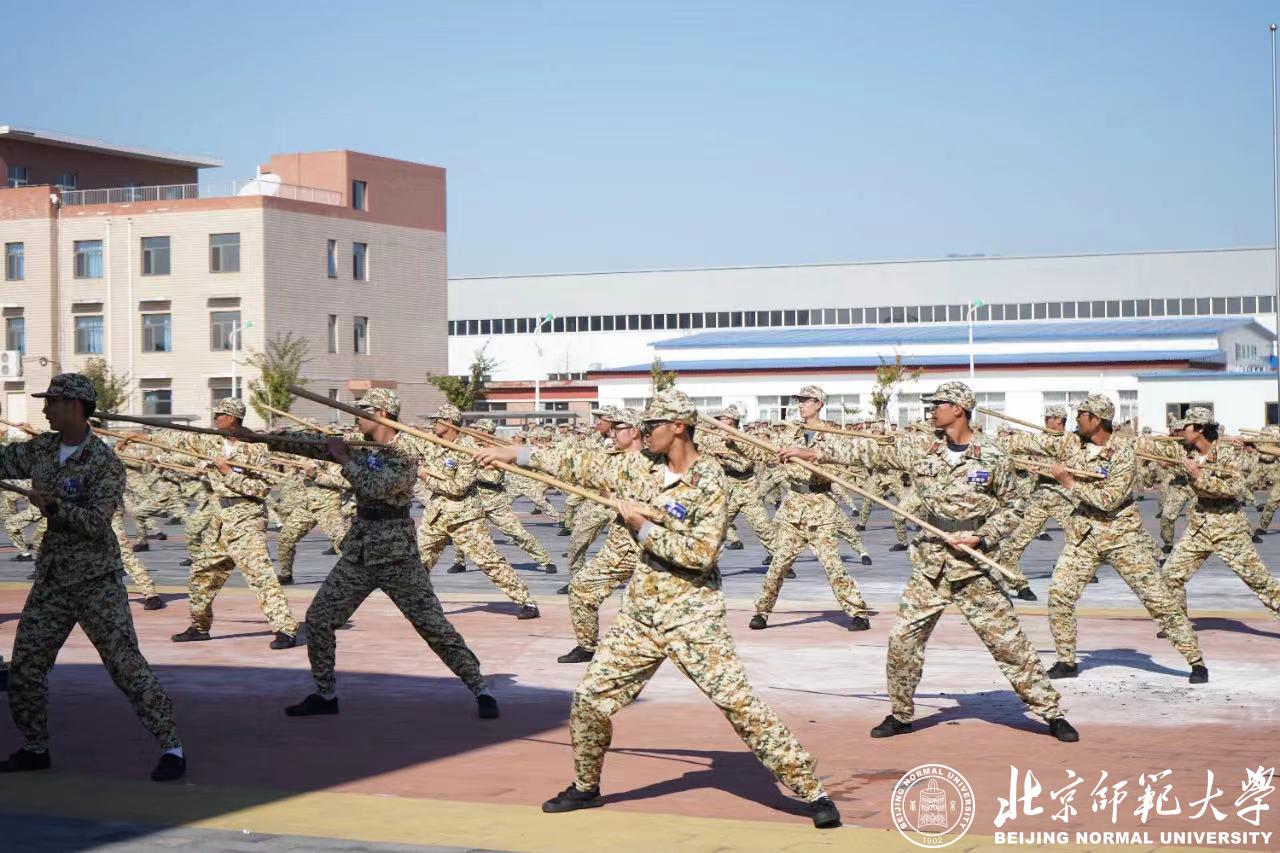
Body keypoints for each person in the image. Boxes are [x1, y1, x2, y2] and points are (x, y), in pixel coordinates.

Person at [475, 389, 841, 829]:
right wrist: (514, 453)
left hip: (693, 614)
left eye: (652, 426)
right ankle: (586, 787)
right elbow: (580, 464)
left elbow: (700, 554)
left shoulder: (710, 482)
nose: (643, 434)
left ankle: (811, 790)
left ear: (679, 427)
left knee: (739, 704)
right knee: (590, 700)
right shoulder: (639, 466)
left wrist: (641, 526)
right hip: (641, 613)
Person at [784, 381, 1079, 743]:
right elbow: (868, 453)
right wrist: (814, 454)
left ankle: (1051, 712)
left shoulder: (993, 455)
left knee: (1008, 644)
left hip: (975, 565)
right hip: (931, 563)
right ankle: (901, 713)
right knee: (903, 640)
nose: (932, 409)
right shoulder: (920, 448)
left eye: (939, 403)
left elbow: (1015, 505)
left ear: (959, 408)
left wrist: (983, 537)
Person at [236, 389, 499, 719]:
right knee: (319, 619)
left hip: (397, 556)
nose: (355, 416)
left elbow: (374, 487)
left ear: (384, 415)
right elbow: (309, 443)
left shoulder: (406, 451)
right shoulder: (356, 440)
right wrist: (258, 438)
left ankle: (480, 688)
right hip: (359, 552)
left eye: (363, 411)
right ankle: (325, 693)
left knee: (433, 626)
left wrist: (344, 460)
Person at [0, 374, 185, 781]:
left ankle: (172, 747)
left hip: (96, 581)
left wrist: (54, 508)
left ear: (75, 406)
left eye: (52, 401)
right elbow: (4, 461)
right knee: (27, 667)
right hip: (52, 578)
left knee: (125, 666)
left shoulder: (105, 464)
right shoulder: (43, 448)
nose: (45, 408)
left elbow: (96, 523)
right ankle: (35, 746)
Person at [1007, 395, 1207, 683]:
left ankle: (1195, 660)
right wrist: (974, 439)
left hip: (1121, 534)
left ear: (1096, 419)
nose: (1075, 419)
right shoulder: (1069, 442)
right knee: (1060, 595)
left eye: (1081, 414)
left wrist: (1070, 484)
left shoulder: (1124, 451)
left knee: (1157, 599)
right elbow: (1029, 443)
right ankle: (1066, 660)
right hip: (1084, 534)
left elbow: (1109, 500)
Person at [144, 399, 300, 649]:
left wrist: (227, 472)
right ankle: (199, 626)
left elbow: (261, 489)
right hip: (219, 521)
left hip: (246, 518)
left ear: (233, 417)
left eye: (220, 414)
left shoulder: (256, 449)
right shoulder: (210, 441)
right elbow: (180, 439)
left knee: (261, 577)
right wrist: (140, 435)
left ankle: (286, 630)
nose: (216, 418)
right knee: (200, 575)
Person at [751, 385, 872, 632]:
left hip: (821, 509)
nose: (800, 405)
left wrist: (807, 454)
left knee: (833, 565)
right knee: (779, 565)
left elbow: (839, 464)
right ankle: (761, 612)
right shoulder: (790, 433)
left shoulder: (832, 436)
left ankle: (858, 612)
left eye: (806, 400)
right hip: (793, 508)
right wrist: (736, 444)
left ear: (818, 403)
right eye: (799, 401)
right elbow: (765, 453)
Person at [411, 405, 539, 619]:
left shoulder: (469, 448)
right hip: (436, 515)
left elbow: (458, 488)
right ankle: (419, 603)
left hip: (465, 516)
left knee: (489, 561)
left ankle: (526, 602)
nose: (433, 424)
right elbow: (402, 442)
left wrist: (425, 477)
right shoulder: (431, 442)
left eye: (438, 420)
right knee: (418, 561)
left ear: (450, 422)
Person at [1158, 407, 1280, 623]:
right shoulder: (1188, 452)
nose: (1181, 429)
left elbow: (1234, 487)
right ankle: (1178, 625)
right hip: (1199, 529)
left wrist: (1199, 476)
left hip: (1229, 529)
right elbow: (1146, 446)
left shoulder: (1224, 453)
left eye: (1186, 425)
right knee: (1170, 574)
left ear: (1200, 428)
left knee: (1261, 582)